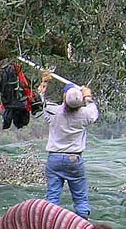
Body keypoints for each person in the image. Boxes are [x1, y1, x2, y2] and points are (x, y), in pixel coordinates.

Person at [39, 72, 99, 219]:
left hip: (54, 159)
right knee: (80, 199)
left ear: (64, 99)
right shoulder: (85, 114)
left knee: (52, 198)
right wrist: (87, 95)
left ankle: (50, 228)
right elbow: (93, 109)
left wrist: (44, 83)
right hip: (74, 160)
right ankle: (82, 226)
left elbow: (38, 101)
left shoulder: (53, 112)